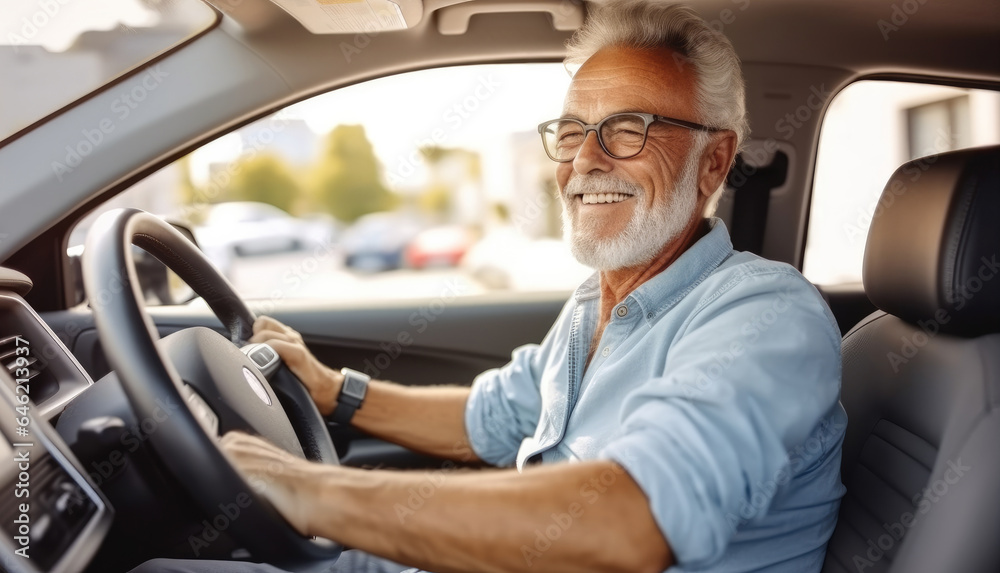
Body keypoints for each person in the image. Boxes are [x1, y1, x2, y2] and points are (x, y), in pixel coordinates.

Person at [132, 1, 845, 572]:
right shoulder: (597, 302)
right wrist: (329, 388)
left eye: (627, 130)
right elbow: (491, 417)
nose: (585, 162)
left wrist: (313, 490)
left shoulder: (766, 314)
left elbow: (630, 519)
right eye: (571, 133)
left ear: (714, 162)